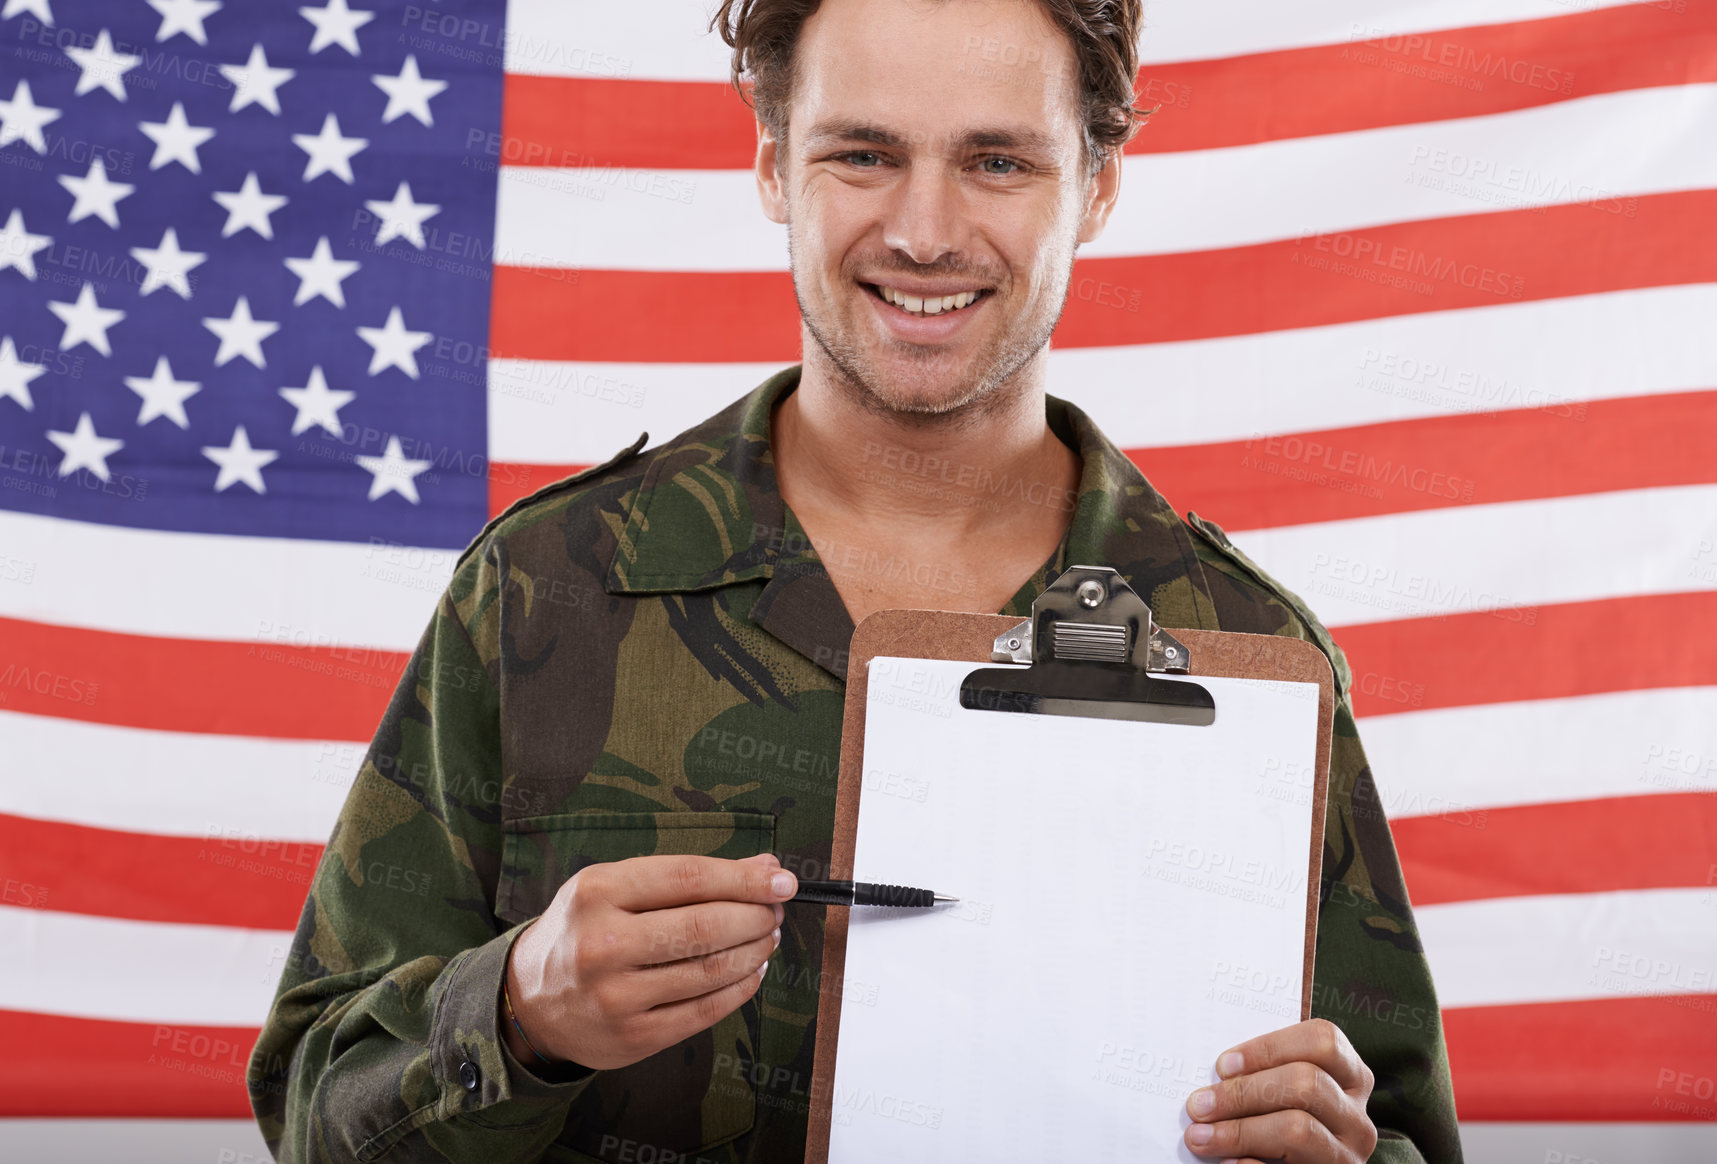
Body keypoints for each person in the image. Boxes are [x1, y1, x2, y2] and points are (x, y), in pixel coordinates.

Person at [248, 0, 1462, 1160]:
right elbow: (313, 1110)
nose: (923, 230)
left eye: (997, 162)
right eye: (863, 155)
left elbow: (1398, 1129)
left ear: (1094, 187)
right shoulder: (544, 588)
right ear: (775, 167)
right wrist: (513, 1017)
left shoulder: (1237, 646)